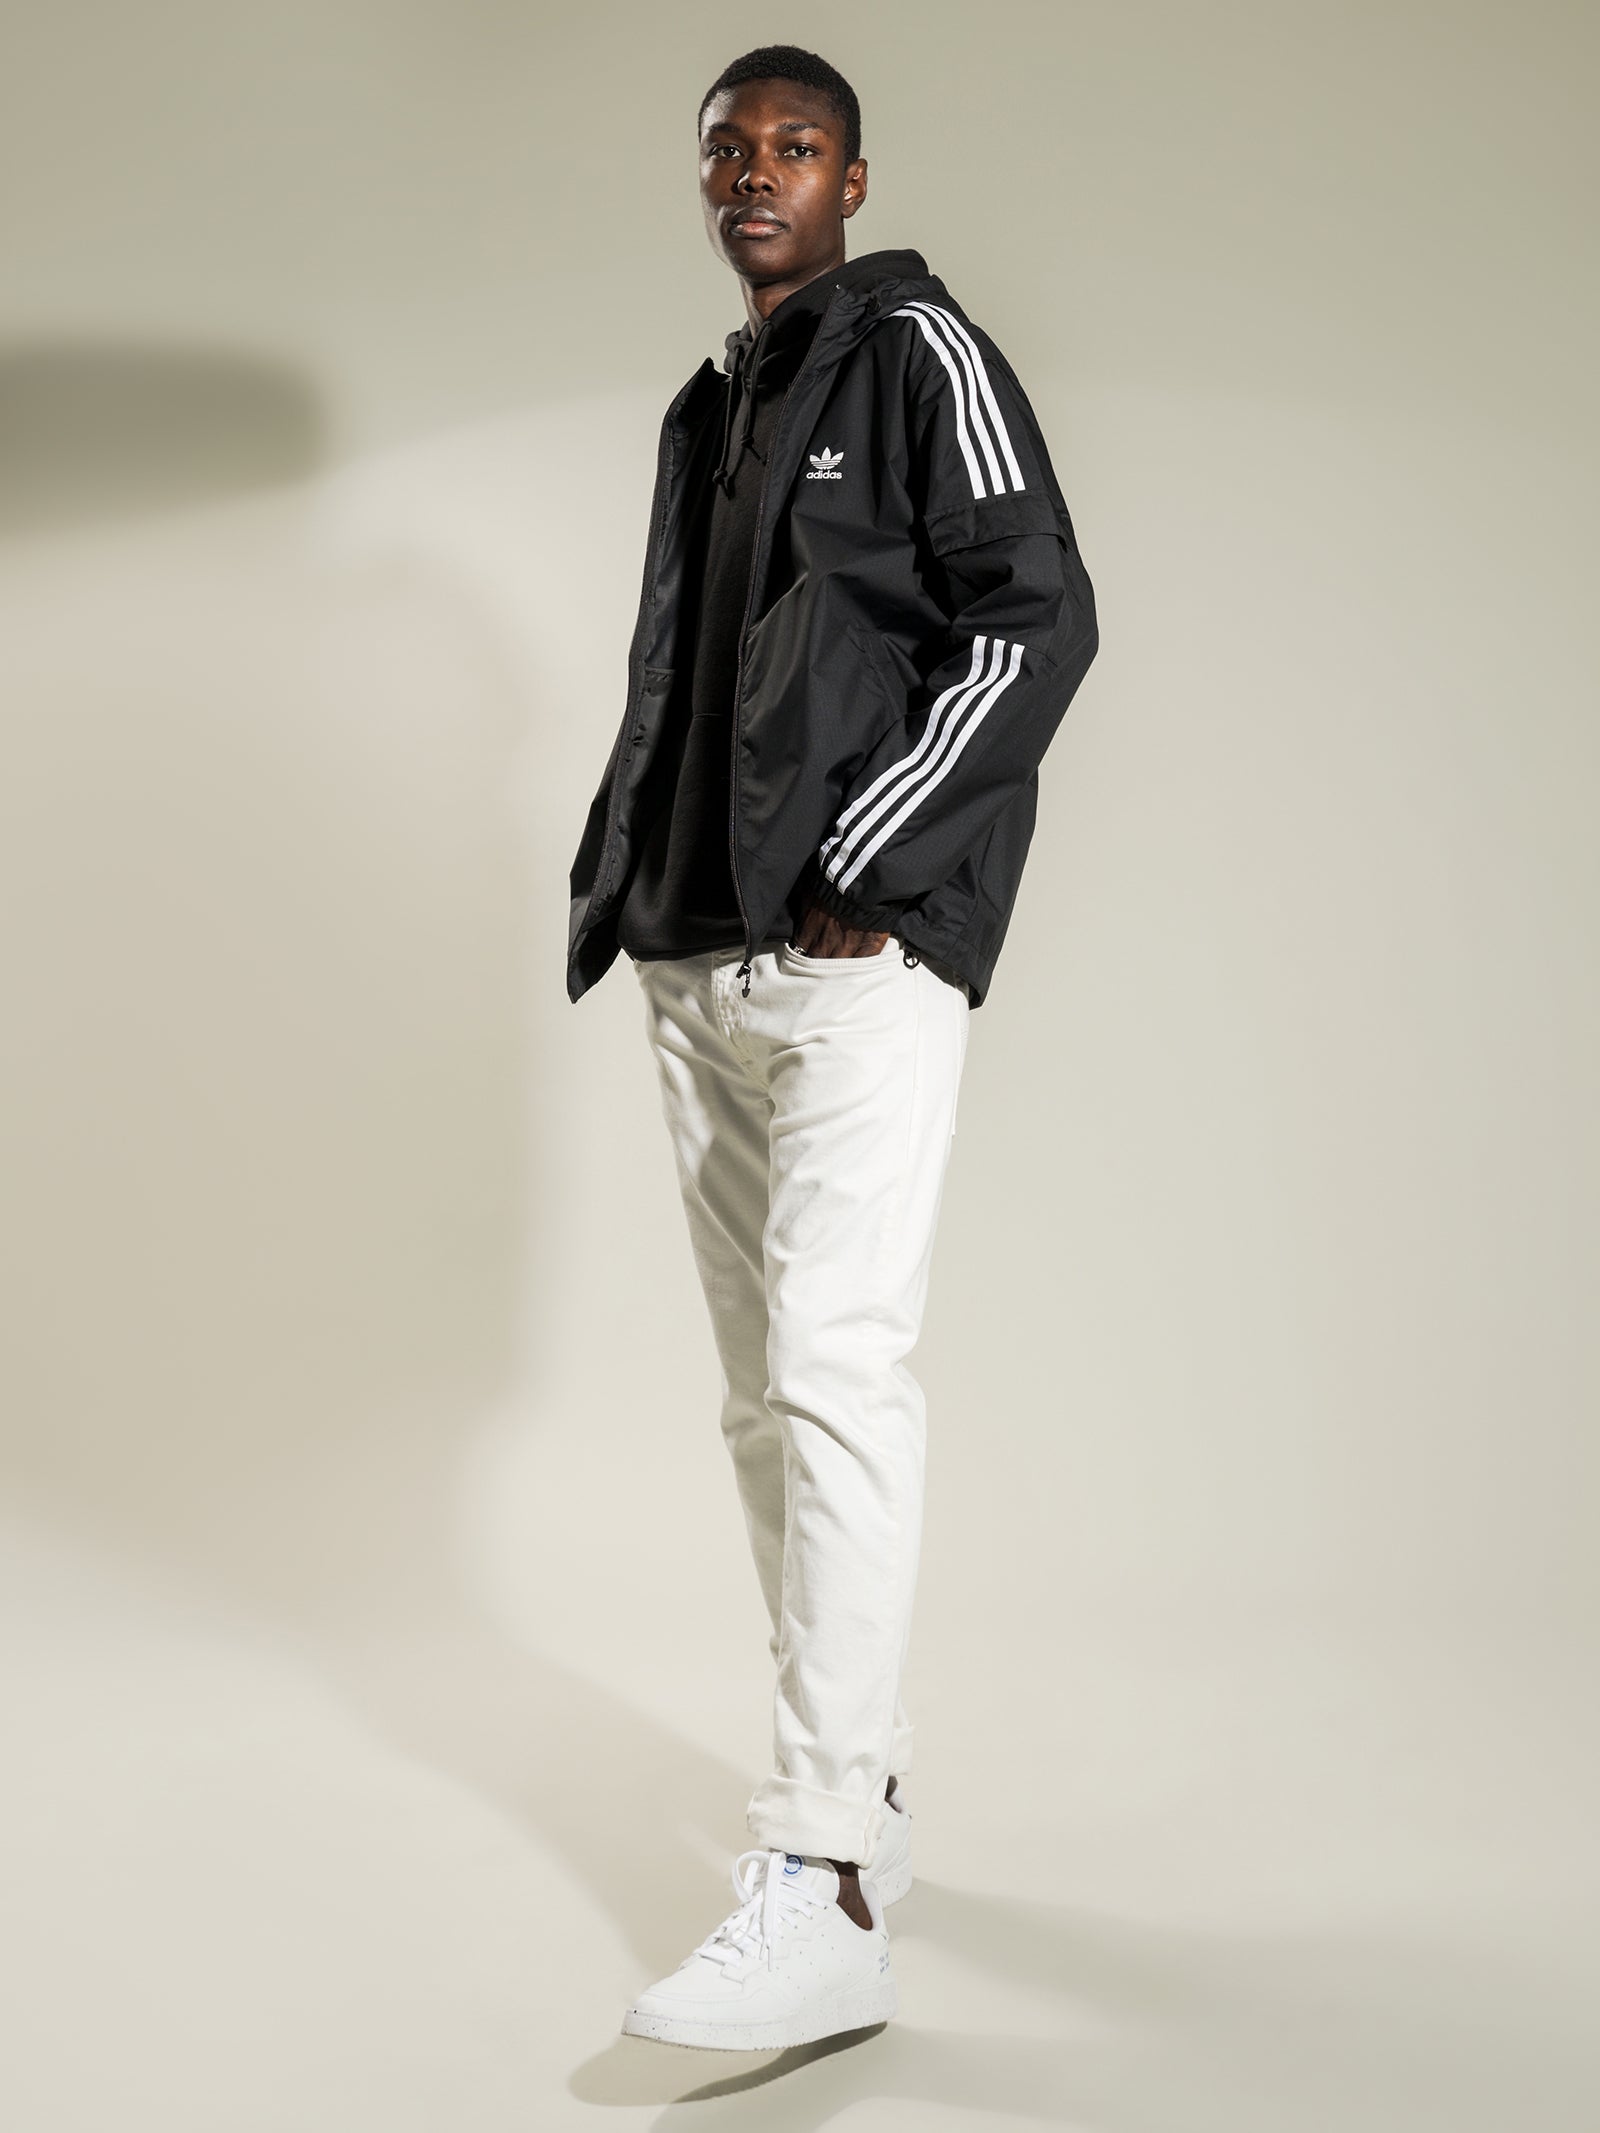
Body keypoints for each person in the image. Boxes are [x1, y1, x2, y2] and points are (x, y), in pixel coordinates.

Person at [565, 43, 1098, 2051]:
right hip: (696, 957)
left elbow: (1035, 615)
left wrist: (875, 855)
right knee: (761, 1410)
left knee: (834, 1371)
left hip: (852, 962)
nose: (755, 174)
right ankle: (854, 1797)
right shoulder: (711, 404)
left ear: (853, 179)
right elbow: (682, 668)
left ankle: (824, 1877)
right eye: (728, 149)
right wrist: (628, 886)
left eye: (793, 148)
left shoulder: (919, 354)